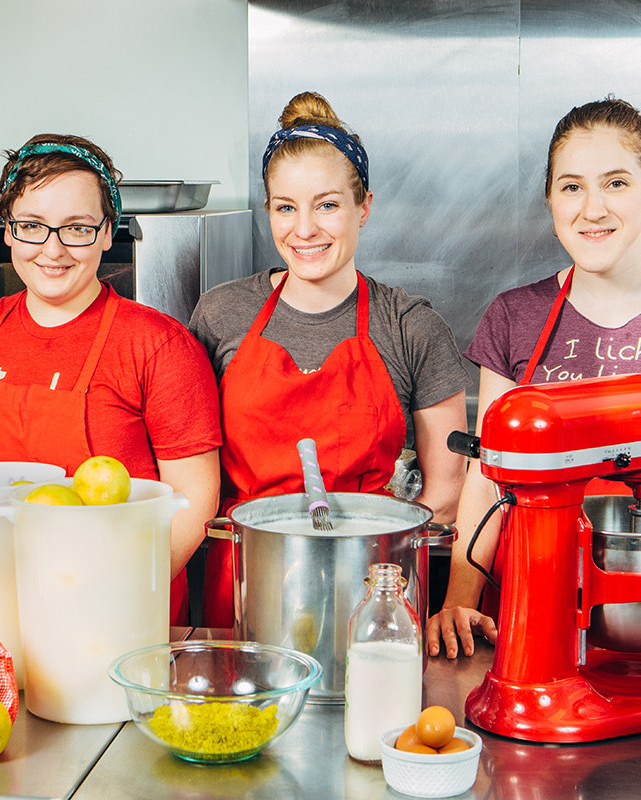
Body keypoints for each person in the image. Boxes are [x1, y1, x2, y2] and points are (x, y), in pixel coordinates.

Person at [429, 97, 641, 657]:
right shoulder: (514, 316)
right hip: (527, 612)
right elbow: (487, 477)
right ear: (550, 199)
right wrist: (459, 600)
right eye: (571, 187)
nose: (592, 209)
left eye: (615, 183)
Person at [189, 92, 471, 627]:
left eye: (327, 205)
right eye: (286, 207)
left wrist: (375, 575)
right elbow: (189, 470)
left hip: (369, 589)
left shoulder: (411, 326)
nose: (305, 230)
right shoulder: (222, 313)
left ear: (364, 207)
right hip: (244, 584)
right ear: (268, 208)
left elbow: (447, 492)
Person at [0, 133, 221, 626]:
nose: (53, 249)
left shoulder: (158, 345)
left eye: (78, 228)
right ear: (7, 230)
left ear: (108, 233)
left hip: (105, 622)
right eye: (32, 226)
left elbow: (192, 503)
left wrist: (118, 598)